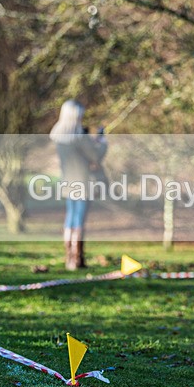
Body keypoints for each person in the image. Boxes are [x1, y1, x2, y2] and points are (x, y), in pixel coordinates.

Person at [49, 99, 107, 271]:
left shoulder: (59, 136)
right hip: (83, 183)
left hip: (68, 183)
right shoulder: (80, 137)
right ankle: (77, 259)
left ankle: (69, 257)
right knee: (79, 221)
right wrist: (101, 142)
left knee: (70, 219)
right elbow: (95, 155)